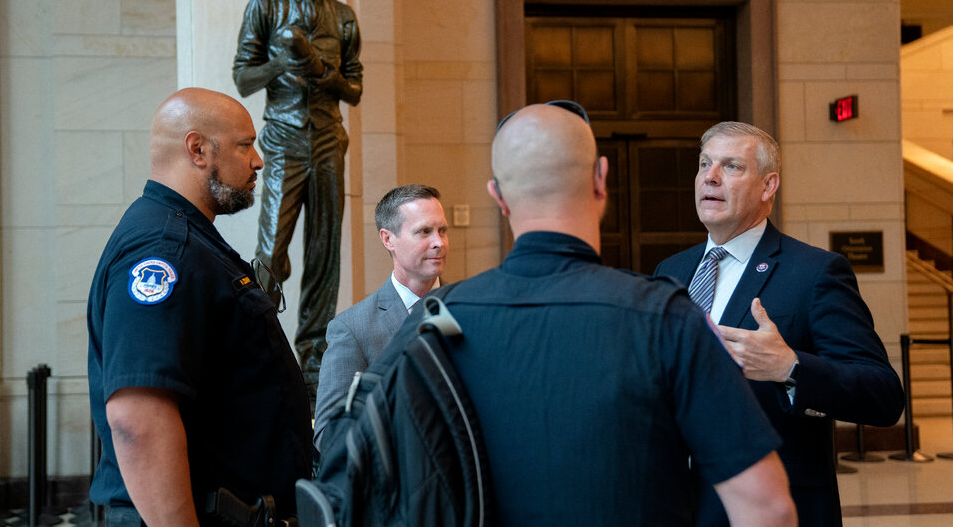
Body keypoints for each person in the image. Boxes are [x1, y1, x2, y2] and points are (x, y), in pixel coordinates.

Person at [388, 102, 796, 525]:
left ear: (498, 196)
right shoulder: (667, 318)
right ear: (601, 179)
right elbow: (766, 507)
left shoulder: (434, 320)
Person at [654, 121, 904, 526]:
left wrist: (790, 369)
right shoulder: (671, 271)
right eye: (704, 164)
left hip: (772, 509)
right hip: (675, 505)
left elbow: (883, 395)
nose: (710, 177)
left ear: (769, 186)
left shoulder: (816, 272)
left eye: (731, 166)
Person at [87, 88, 313, 526]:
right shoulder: (164, 250)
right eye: (246, 145)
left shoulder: (188, 238)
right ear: (197, 149)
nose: (258, 160)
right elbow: (138, 418)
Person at [232, 0, 364, 409]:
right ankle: (261, 355)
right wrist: (281, 62)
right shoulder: (265, 7)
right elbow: (243, 77)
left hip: (328, 139)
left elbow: (355, 89)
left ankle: (313, 366)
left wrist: (323, 73)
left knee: (325, 252)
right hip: (285, 139)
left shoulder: (343, 15)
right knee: (270, 251)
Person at [313, 184, 449, 447]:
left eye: (442, 230)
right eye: (424, 231)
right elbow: (329, 435)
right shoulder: (352, 329)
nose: (438, 242)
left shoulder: (469, 308)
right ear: (388, 239)